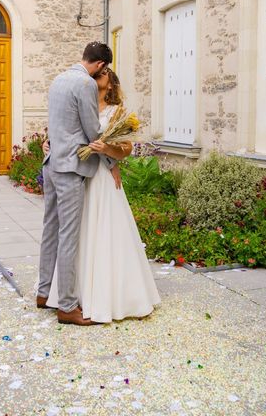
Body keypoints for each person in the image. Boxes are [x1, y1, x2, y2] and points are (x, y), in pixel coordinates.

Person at [45, 68, 161, 323]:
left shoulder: (117, 112)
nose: (97, 77)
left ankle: (109, 295)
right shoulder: (78, 101)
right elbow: (62, 132)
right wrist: (49, 141)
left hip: (102, 179)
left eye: (103, 74)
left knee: (105, 234)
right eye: (97, 73)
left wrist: (107, 148)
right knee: (75, 235)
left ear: (110, 84)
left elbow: (126, 150)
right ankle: (73, 294)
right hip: (76, 176)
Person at [37, 41, 115, 326]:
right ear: (101, 65)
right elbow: (92, 129)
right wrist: (111, 154)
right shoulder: (85, 84)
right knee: (69, 234)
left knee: (50, 229)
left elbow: (59, 124)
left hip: (51, 163)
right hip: (71, 167)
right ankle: (67, 306)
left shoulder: (59, 79)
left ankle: (44, 292)